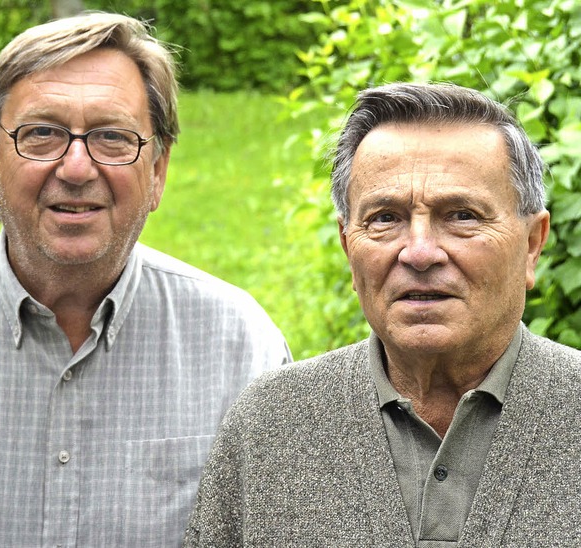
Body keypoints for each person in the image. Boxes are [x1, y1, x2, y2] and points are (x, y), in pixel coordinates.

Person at [0, 12, 291, 546]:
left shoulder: (239, 347)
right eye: (41, 134)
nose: (77, 168)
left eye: (112, 137)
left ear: (157, 172)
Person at [184, 82, 581, 546]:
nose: (419, 252)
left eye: (462, 215)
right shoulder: (268, 427)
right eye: (384, 218)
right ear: (347, 245)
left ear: (532, 245)